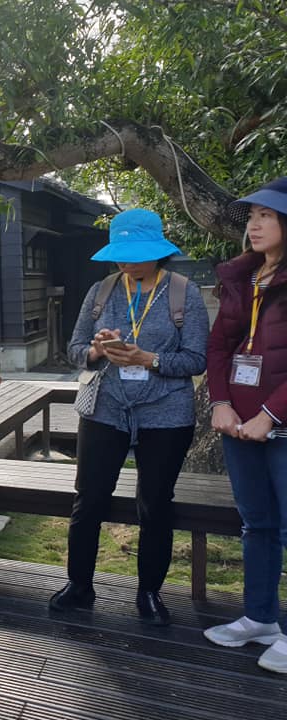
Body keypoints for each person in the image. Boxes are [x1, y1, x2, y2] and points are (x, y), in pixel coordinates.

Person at [49, 208, 209, 626]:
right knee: (89, 498)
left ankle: (150, 592)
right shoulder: (101, 291)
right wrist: (98, 350)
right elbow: (75, 349)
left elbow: (196, 358)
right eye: (120, 254)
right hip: (106, 407)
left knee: (155, 504)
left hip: (166, 413)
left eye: (135, 254)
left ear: (158, 252)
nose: (126, 263)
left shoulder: (183, 293)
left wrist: (149, 358)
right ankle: (79, 585)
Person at [203, 177, 287, 674]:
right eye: (252, 216)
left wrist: (269, 415)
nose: (253, 225)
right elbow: (220, 346)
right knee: (257, 525)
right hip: (239, 426)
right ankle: (260, 618)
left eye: (267, 216)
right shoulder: (244, 277)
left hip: (277, 426)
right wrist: (220, 403)